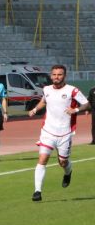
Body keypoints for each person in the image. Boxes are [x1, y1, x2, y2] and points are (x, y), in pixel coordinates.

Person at [27, 64, 88, 202]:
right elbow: (44, 101)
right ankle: (37, 191)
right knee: (42, 159)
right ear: (51, 75)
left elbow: (87, 104)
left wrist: (76, 110)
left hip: (65, 133)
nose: (56, 77)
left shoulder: (72, 90)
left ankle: (68, 172)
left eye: (59, 74)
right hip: (48, 131)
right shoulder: (46, 89)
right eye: (54, 74)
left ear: (64, 76)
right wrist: (35, 110)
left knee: (63, 162)